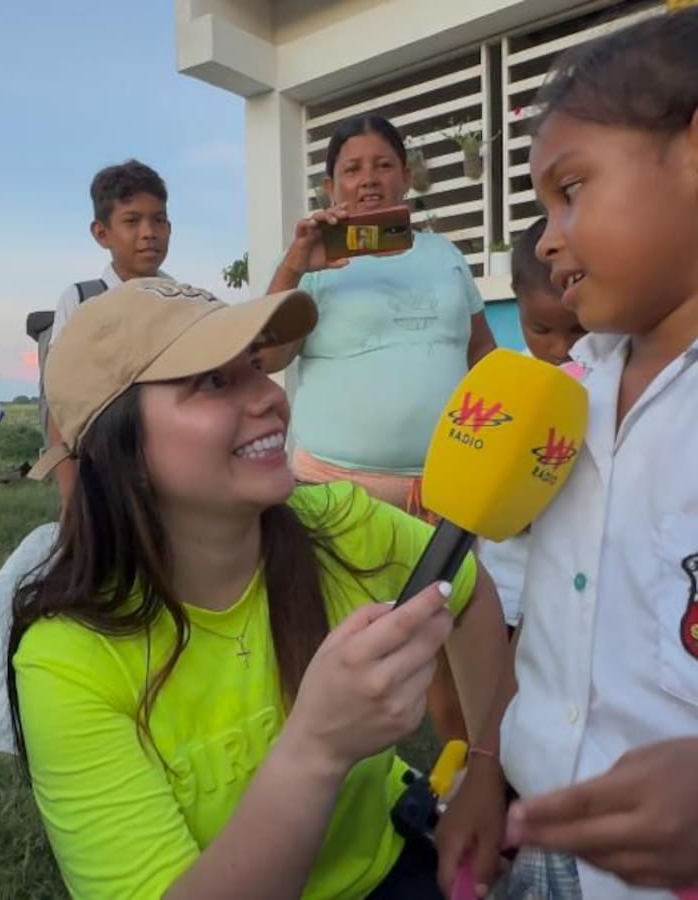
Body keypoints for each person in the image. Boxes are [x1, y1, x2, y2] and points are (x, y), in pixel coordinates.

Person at [10, 278, 508, 899]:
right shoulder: (67, 661)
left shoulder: (338, 524)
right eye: (214, 382)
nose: (270, 398)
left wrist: (487, 766)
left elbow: (465, 589)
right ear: (120, 445)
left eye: (255, 367)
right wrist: (317, 749)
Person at [435, 10, 698, 897]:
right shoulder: (559, 402)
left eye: (571, 190)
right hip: (537, 838)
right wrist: (485, 764)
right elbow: (536, 613)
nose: (546, 238)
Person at [266, 112, 499, 745]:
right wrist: (294, 264)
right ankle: (326, 779)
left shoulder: (445, 256)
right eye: (352, 169)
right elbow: (265, 356)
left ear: (405, 174)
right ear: (330, 186)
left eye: (383, 164)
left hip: (443, 493)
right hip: (335, 491)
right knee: (329, 646)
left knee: (446, 644)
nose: (368, 180)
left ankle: (463, 778)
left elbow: (481, 355)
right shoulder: (313, 265)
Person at [476, 217, 586, 630]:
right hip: (506, 583)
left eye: (577, 329)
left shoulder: (612, 383)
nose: (560, 348)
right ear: (516, 303)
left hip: (574, 596)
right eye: (540, 329)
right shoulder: (503, 383)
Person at [45, 160, 171, 507]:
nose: (149, 232)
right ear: (101, 233)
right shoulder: (83, 300)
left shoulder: (183, 301)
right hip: (103, 478)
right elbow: (62, 404)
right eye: (132, 221)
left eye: (158, 219)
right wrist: (72, 501)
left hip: (173, 472)